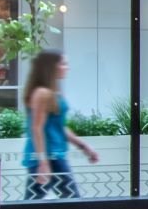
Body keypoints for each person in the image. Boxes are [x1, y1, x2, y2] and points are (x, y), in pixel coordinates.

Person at [20, 50, 98, 200]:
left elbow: (59, 127)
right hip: (50, 157)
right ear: (51, 67)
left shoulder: (52, 93)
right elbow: (36, 128)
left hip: (52, 157)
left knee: (30, 205)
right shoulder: (42, 93)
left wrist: (84, 146)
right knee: (74, 205)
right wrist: (43, 162)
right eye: (63, 63)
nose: (67, 67)